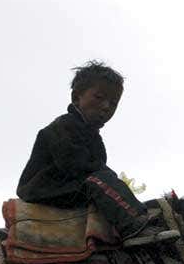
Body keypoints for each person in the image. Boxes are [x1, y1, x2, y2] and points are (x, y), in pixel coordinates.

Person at [17, 61, 149, 238]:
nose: (106, 107)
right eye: (99, 97)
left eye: (113, 103)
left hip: (73, 187)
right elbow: (75, 166)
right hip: (45, 189)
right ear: (76, 97)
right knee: (100, 181)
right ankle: (135, 225)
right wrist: (109, 179)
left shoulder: (94, 137)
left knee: (102, 182)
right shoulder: (63, 126)